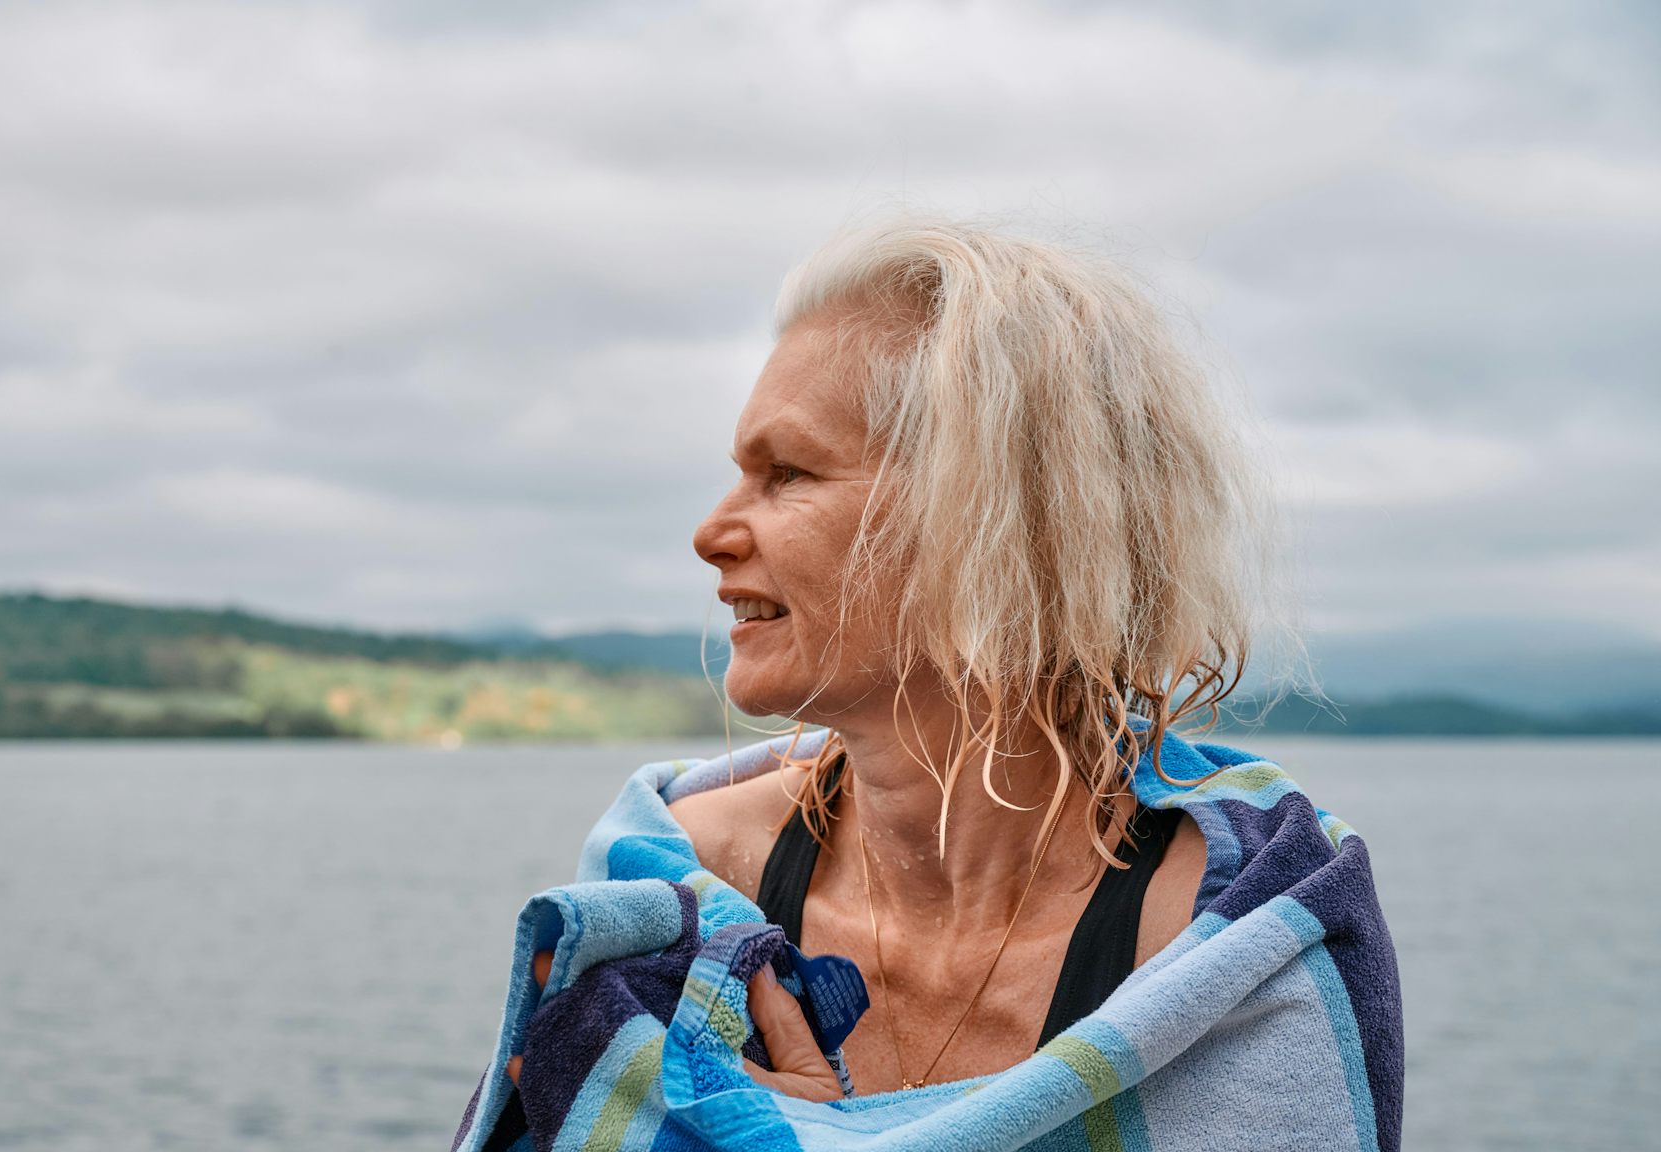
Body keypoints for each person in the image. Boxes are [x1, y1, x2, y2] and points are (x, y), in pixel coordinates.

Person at [508, 212, 1298, 1100]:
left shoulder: (1227, 928)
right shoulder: (686, 877)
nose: (711, 533)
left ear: (993, 521)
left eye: (788, 473)